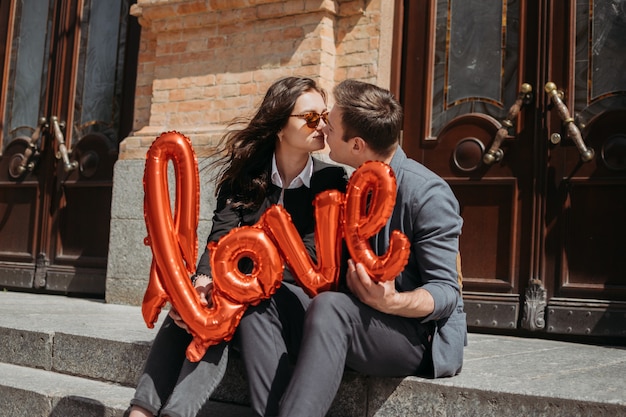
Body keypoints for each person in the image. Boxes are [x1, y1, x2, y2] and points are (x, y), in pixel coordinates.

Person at [127, 76, 348, 417]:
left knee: (229, 303)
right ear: (279, 126)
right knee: (191, 311)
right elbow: (220, 237)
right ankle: (143, 411)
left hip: (297, 303)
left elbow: (312, 258)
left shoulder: (332, 182)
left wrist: (233, 284)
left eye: (324, 117)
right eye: (310, 118)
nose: (321, 126)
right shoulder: (243, 178)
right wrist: (201, 284)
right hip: (241, 294)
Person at [247, 79, 467, 416]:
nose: (323, 129)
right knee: (263, 300)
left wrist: (393, 301)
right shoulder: (350, 183)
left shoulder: (427, 194)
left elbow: (447, 292)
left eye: (330, 126)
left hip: (412, 335)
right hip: (351, 316)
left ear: (357, 144)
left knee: (330, 307)